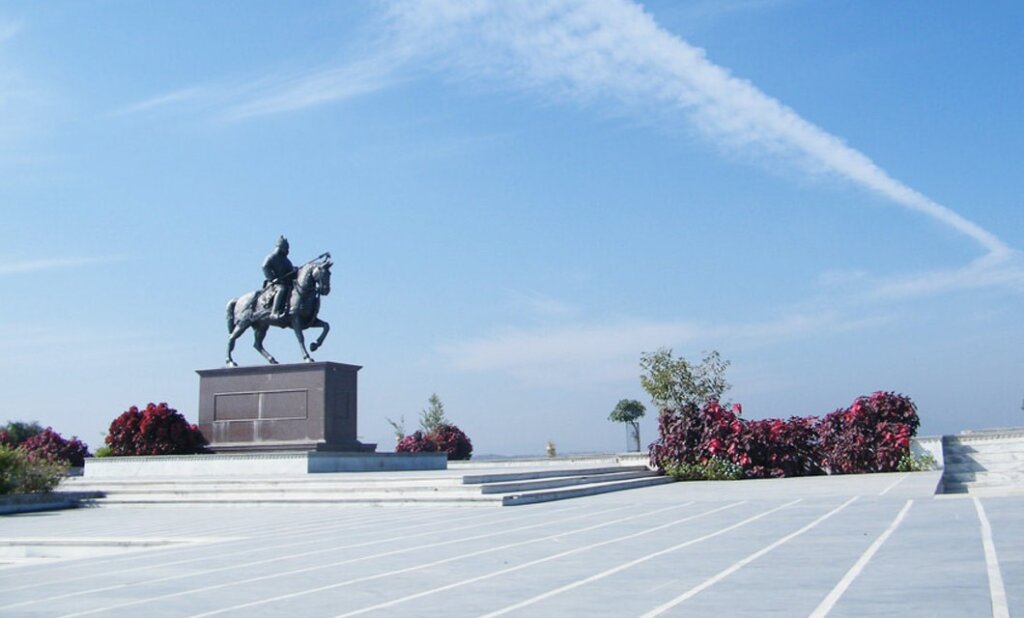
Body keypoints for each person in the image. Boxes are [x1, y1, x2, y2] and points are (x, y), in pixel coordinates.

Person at [262, 236, 296, 321]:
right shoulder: (271, 257)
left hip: (285, 282)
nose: (287, 250)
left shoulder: (286, 261)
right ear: (281, 247)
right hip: (274, 284)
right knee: (282, 289)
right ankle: (274, 312)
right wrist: (272, 278)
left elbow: (290, 271)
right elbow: (265, 267)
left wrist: (295, 270)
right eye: (286, 248)